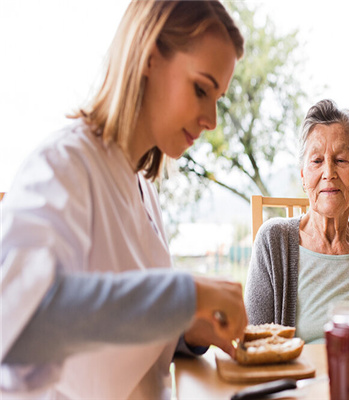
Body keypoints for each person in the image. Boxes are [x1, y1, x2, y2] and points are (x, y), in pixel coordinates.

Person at [0, 1, 248, 398]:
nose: (211, 119)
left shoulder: (142, 187)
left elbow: (116, 322)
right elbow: (20, 325)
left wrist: (186, 326)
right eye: (201, 89)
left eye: (216, 97)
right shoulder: (63, 167)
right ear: (149, 57)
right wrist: (188, 294)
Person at [245, 99, 349, 344]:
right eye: (317, 161)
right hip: (297, 382)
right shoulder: (273, 242)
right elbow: (255, 344)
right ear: (303, 175)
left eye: (341, 160)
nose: (328, 173)